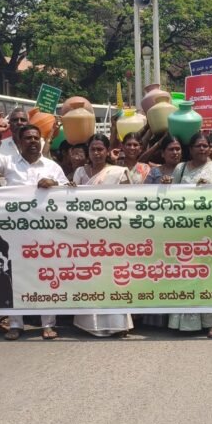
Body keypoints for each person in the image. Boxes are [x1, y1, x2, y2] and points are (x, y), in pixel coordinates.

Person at [0, 123, 69, 340]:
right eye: (28, 138)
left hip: (44, 233)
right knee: (13, 278)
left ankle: (47, 325)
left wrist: (53, 183)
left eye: (36, 138)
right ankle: (16, 324)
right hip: (14, 233)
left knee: (46, 277)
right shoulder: (8, 163)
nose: (33, 141)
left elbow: (68, 193)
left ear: (41, 141)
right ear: (19, 141)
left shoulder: (52, 167)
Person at [163, 132, 212, 338]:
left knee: (209, 277)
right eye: (198, 146)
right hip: (185, 230)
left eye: (205, 145)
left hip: (210, 232)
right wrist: (167, 185)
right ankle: (184, 323)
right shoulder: (181, 168)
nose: (202, 149)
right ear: (191, 149)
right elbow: (174, 197)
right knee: (186, 275)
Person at [72, 134, 133, 336]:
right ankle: (91, 325)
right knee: (91, 277)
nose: (96, 153)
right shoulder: (80, 172)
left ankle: (118, 324)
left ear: (107, 151)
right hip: (87, 235)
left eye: (100, 149)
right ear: (88, 152)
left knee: (114, 277)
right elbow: (72, 201)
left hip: (112, 233)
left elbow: (128, 201)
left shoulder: (118, 172)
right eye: (93, 149)